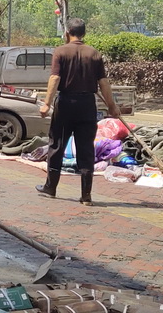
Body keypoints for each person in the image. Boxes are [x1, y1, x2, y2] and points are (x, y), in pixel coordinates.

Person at [36, 18, 122, 206]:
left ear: (67, 33)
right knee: (85, 148)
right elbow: (104, 83)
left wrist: (46, 103)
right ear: (84, 34)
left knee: (57, 145)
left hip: (66, 103)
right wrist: (112, 106)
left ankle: (51, 187)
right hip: (87, 105)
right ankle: (86, 195)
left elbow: (55, 78)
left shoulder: (60, 51)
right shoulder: (94, 53)